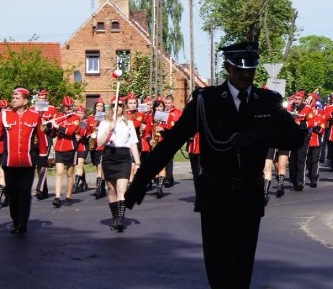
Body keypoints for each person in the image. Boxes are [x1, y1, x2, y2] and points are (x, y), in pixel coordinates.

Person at [124, 41, 306, 288]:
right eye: (239, 69)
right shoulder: (205, 101)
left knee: (242, 273)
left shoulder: (267, 101)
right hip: (216, 195)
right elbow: (171, 142)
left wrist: (260, 135)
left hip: (248, 197)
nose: (245, 74)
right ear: (228, 68)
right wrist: (141, 180)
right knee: (221, 275)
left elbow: (296, 138)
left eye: (250, 69)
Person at [0, 87, 48, 235]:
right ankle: (15, 220)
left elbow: (41, 139)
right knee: (12, 194)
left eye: (17, 97)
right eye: (13, 97)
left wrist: (42, 160)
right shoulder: (4, 116)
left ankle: (22, 224)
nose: (13, 99)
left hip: (28, 162)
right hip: (9, 162)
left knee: (25, 193)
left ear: (25, 101)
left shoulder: (35, 116)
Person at [96, 95, 141, 232]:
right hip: (109, 155)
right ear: (111, 107)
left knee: (122, 189)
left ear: (124, 107)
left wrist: (138, 163)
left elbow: (133, 143)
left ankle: (120, 220)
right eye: (115, 105)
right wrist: (109, 129)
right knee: (111, 190)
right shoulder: (104, 123)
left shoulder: (129, 124)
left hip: (123, 157)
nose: (118, 107)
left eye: (120, 105)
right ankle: (115, 217)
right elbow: (99, 143)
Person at [51, 96, 80, 208]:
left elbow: (70, 131)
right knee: (59, 173)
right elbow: (53, 134)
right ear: (63, 107)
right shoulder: (58, 116)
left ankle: (68, 196)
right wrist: (49, 127)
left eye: (70, 107)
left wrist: (57, 126)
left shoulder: (76, 117)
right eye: (66, 107)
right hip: (59, 148)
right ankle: (57, 197)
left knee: (69, 173)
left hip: (71, 147)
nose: (68, 109)